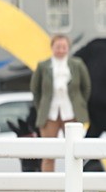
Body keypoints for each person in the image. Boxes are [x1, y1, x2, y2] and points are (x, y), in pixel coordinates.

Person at [30, 34, 91, 172]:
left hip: (71, 113)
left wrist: (79, 105)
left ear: (68, 48)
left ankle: (74, 185)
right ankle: (48, 188)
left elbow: (86, 87)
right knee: (49, 153)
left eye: (64, 47)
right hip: (49, 114)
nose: (61, 50)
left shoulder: (77, 64)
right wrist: (41, 108)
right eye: (58, 47)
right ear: (52, 47)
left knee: (74, 153)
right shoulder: (43, 66)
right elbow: (35, 89)